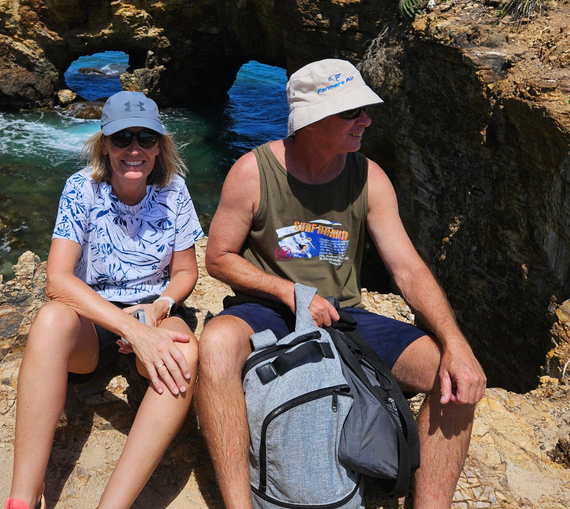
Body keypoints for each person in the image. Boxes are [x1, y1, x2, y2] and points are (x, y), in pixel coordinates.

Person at [195, 59, 487, 509]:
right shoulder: (253, 173)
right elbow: (218, 258)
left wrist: (455, 342)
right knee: (215, 346)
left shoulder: (369, 177)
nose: (366, 120)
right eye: (352, 112)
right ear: (310, 120)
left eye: (365, 109)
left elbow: (408, 269)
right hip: (268, 307)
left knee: (449, 377)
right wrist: (287, 291)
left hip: (344, 315)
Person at [0, 91, 204, 509]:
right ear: (104, 143)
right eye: (122, 139)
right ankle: (22, 499)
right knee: (50, 319)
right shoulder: (81, 189)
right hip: (93, 315)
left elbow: (186, 271)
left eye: (146, 138)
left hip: (151, 308)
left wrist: (159, 308)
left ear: (160, 144)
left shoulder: (175, 191)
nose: (135, 149)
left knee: (184, 353)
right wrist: (130, 329)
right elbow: (58, 281)